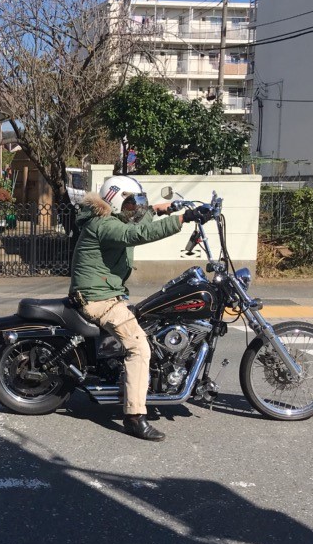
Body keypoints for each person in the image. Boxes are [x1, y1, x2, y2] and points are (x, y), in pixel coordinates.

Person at [68, 176, 213, 442]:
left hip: (107, 294)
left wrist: (161, 209)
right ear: (115, 200)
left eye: (136, 203)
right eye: (130, 203)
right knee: (139, 347)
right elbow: (136, 233)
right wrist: (183, 218)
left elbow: (135, 222)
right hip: (99, 300)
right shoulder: (103, 225)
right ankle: (134, 417)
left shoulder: (109, 218)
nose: (134, 208)